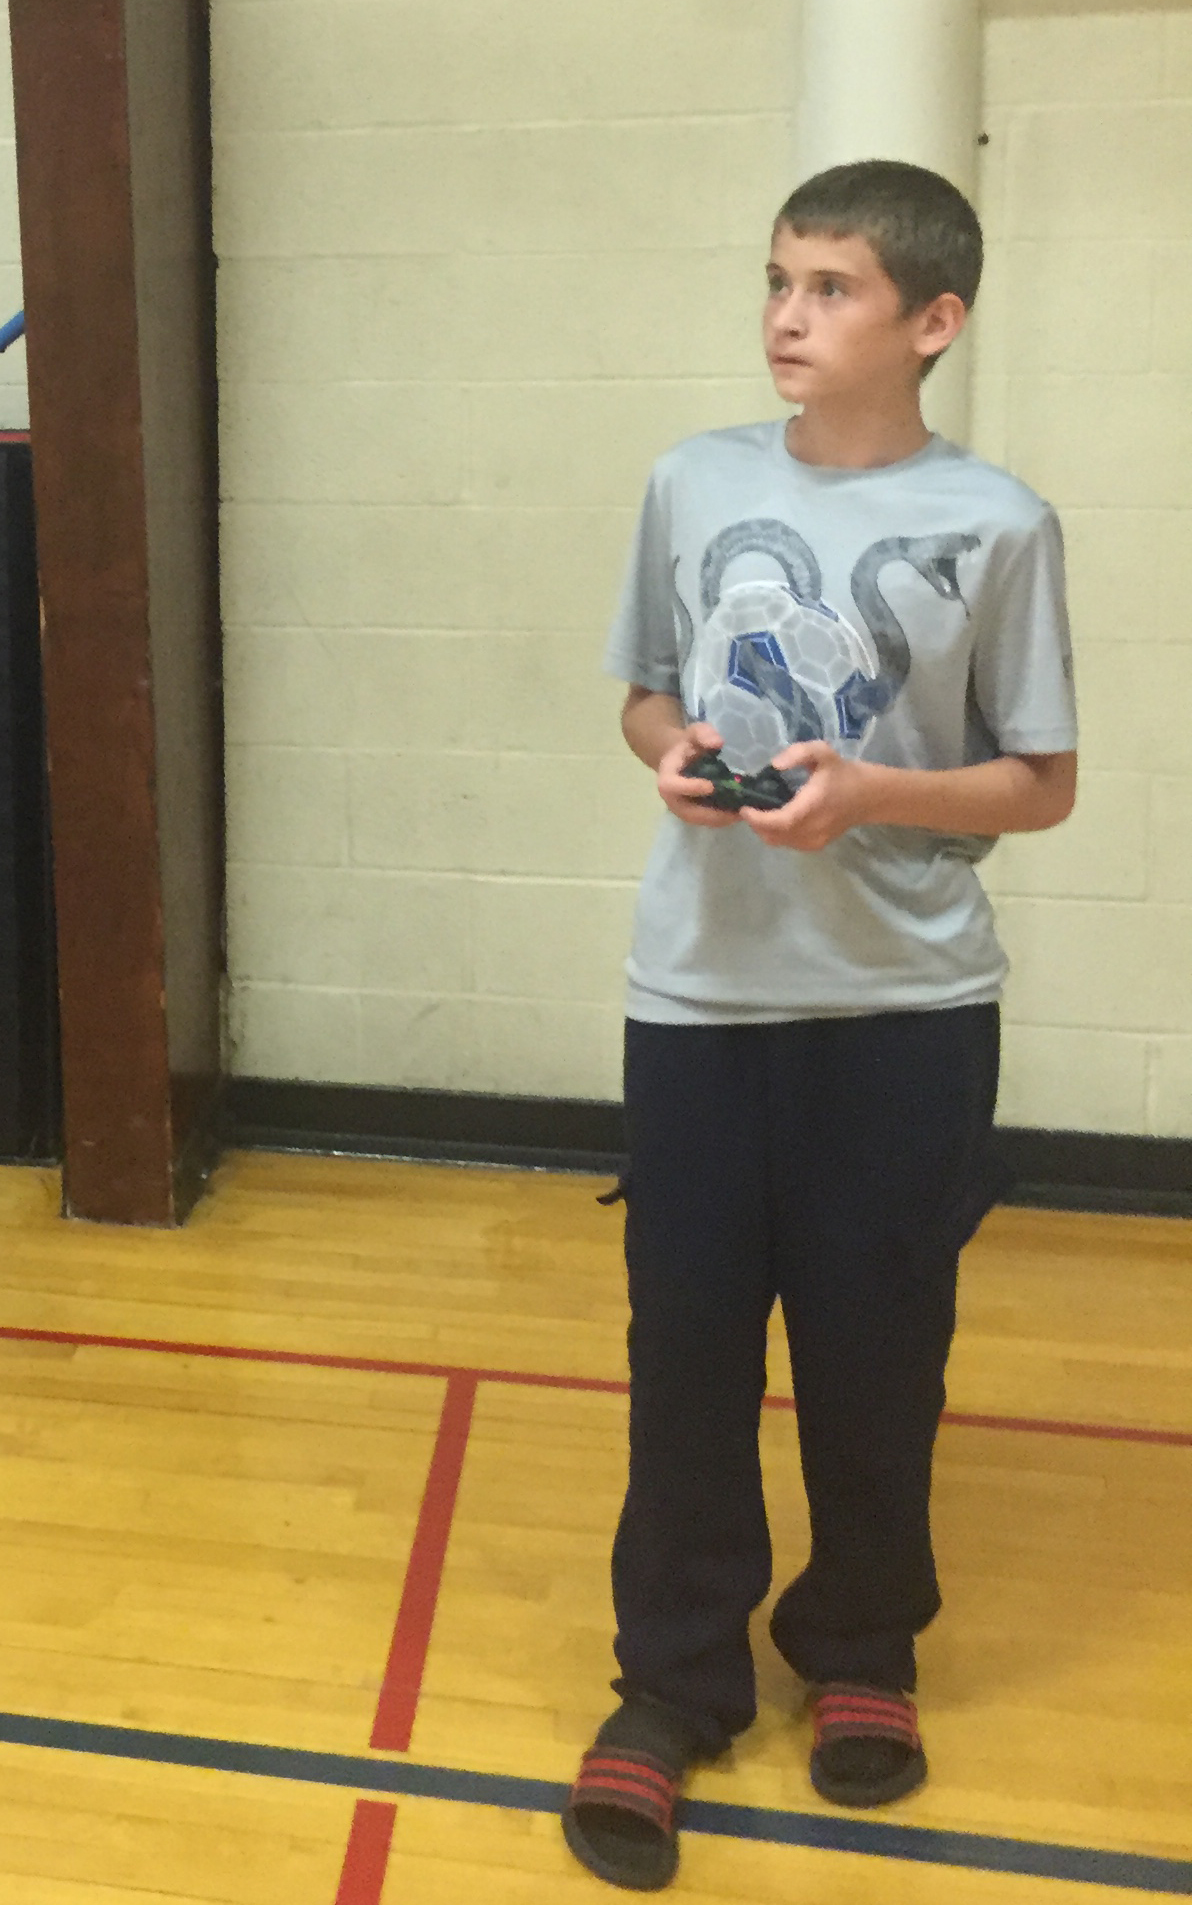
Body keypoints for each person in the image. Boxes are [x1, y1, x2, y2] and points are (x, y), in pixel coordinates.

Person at [564, 159, 1079, 1892]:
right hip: (699, 998)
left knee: (877, 1349)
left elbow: (1040, 784)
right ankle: (673, 1685)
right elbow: (644, 692)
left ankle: (863, 1647)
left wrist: (865, 798)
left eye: (835, 288)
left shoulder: (1000, 521)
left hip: (905, 1008)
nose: (790, 315)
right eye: (780, 279)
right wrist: (680, 766)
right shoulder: (691, 483)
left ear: (933, 322)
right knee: (684, 1353)